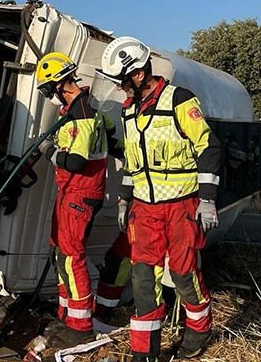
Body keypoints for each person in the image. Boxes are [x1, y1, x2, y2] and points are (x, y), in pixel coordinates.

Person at [97, 37, 222, 361]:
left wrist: (207, 199)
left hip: (182, 206)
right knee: (142, 279)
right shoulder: (129, 112)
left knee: (182, 273)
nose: (121, 90)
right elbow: (132, 162)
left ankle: (199, 328)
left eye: (123, 82)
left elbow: (208, 147)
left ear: (138, 74)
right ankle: (144, 353)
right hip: (145, 210)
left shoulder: (179, 100)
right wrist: (125, 200)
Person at [34, 52, 118, 346]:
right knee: (59, 253)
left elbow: (76, 161)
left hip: (80, 192)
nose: (49, 97)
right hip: (70, 191)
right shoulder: (76, 110)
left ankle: (81, 324)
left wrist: (47, 150)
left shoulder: (81, 112)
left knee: (71, 257)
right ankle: (67, 316)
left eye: (48, 91)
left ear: (59, 84)